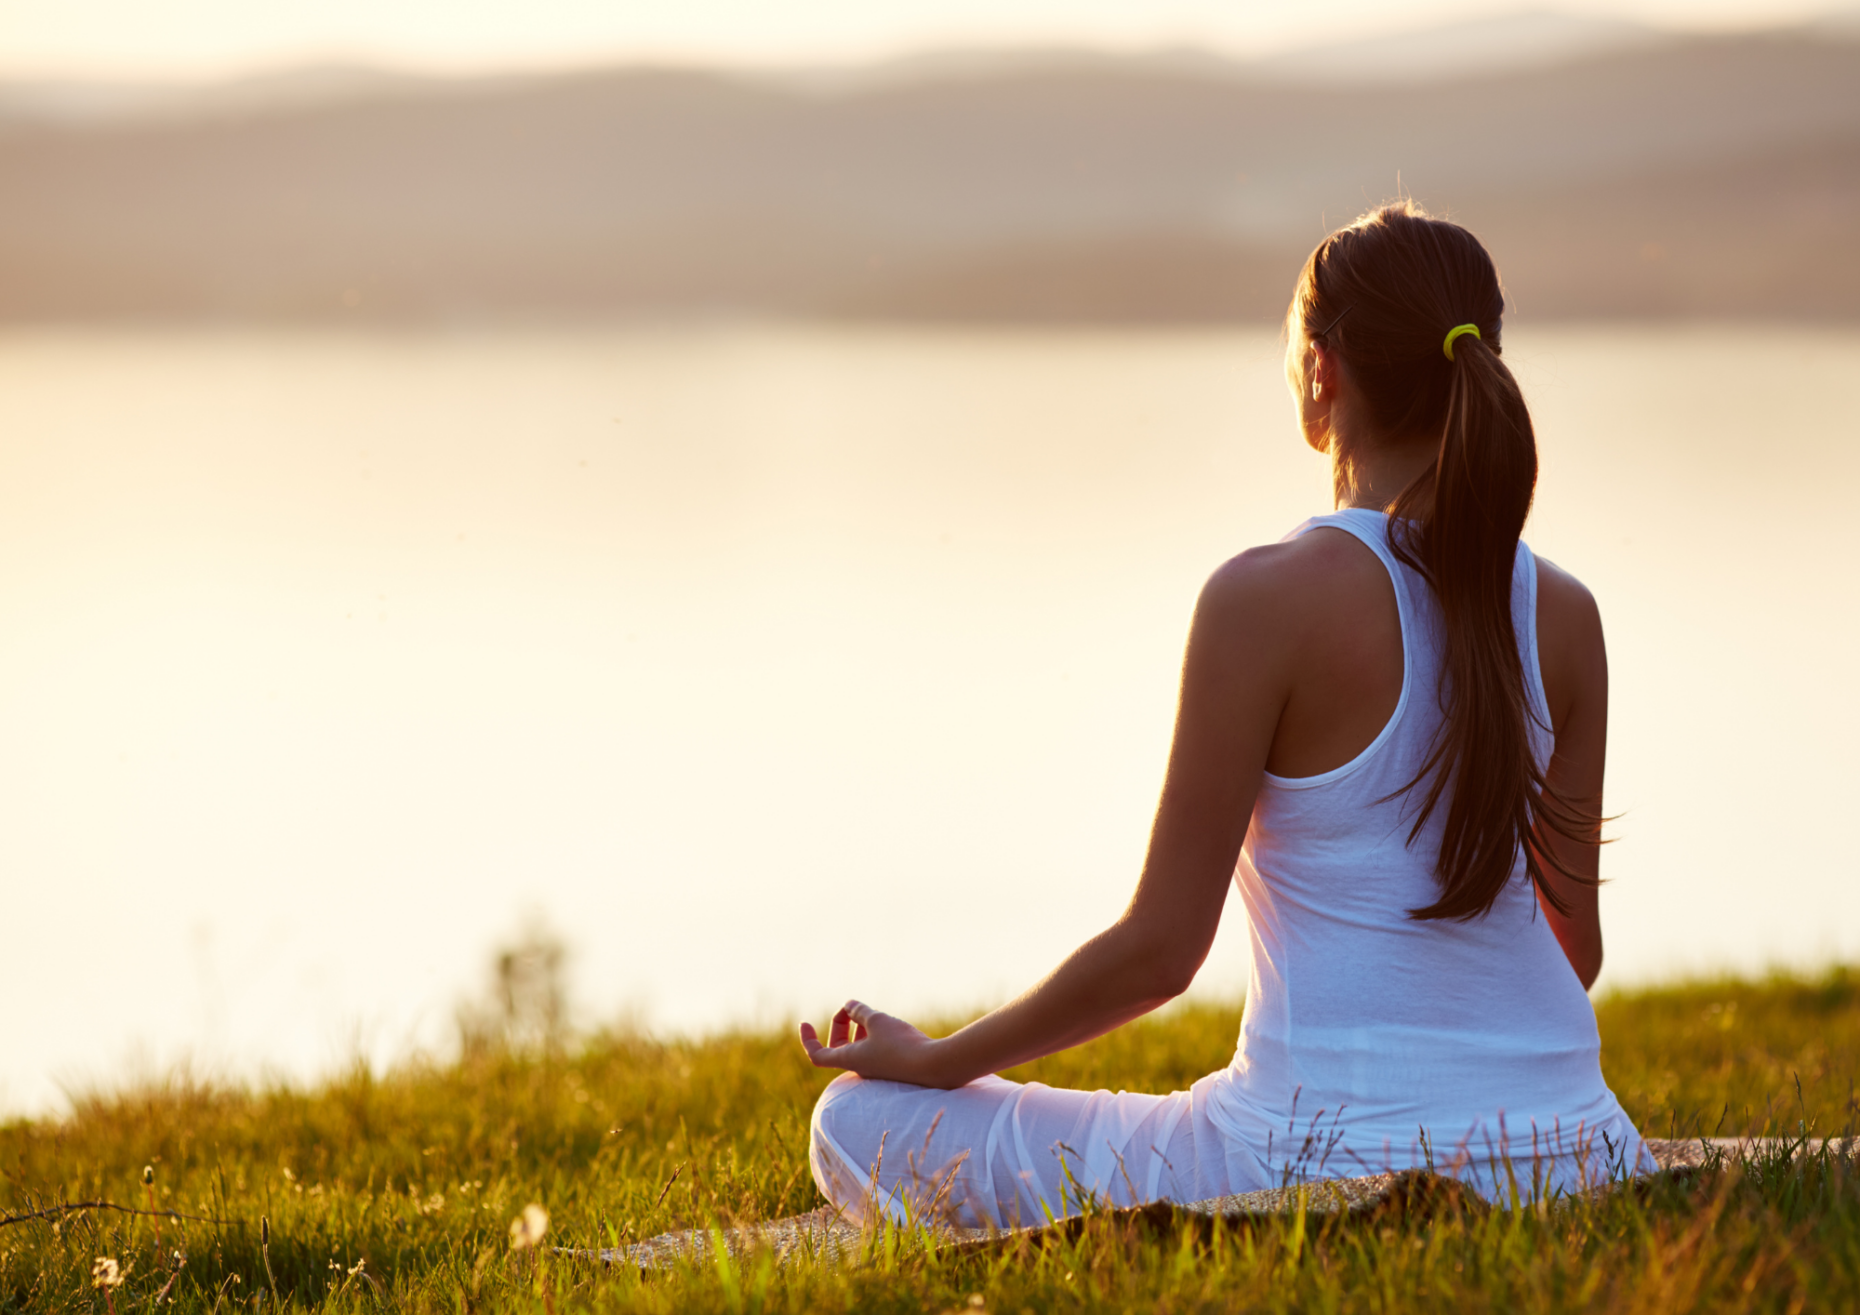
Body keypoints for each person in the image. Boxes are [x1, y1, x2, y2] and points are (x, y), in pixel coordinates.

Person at [798, 202, 1650, 1228]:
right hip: (1582, 1147)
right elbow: (1575, 953)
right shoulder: (1564, 611)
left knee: (855, 1120)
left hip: (1303, 1157)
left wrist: (939, 1059)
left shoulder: (1263, 600)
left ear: (1324, 373)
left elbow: (1162, 951)